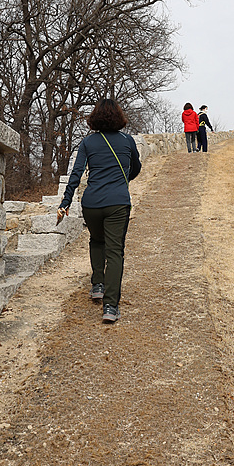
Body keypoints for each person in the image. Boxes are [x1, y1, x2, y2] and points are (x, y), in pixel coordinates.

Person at [57, 98, 141, 324]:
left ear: (95, 118)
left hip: (91, 203)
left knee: (96, 241)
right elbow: (137, 168)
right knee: (115, 252)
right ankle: (110, 307)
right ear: (119, 117)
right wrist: (123, 180)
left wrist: (65, 201)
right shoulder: (127, 140)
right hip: (118, 203)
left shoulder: (87, 142)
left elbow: (76, 173)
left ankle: (97, 285)